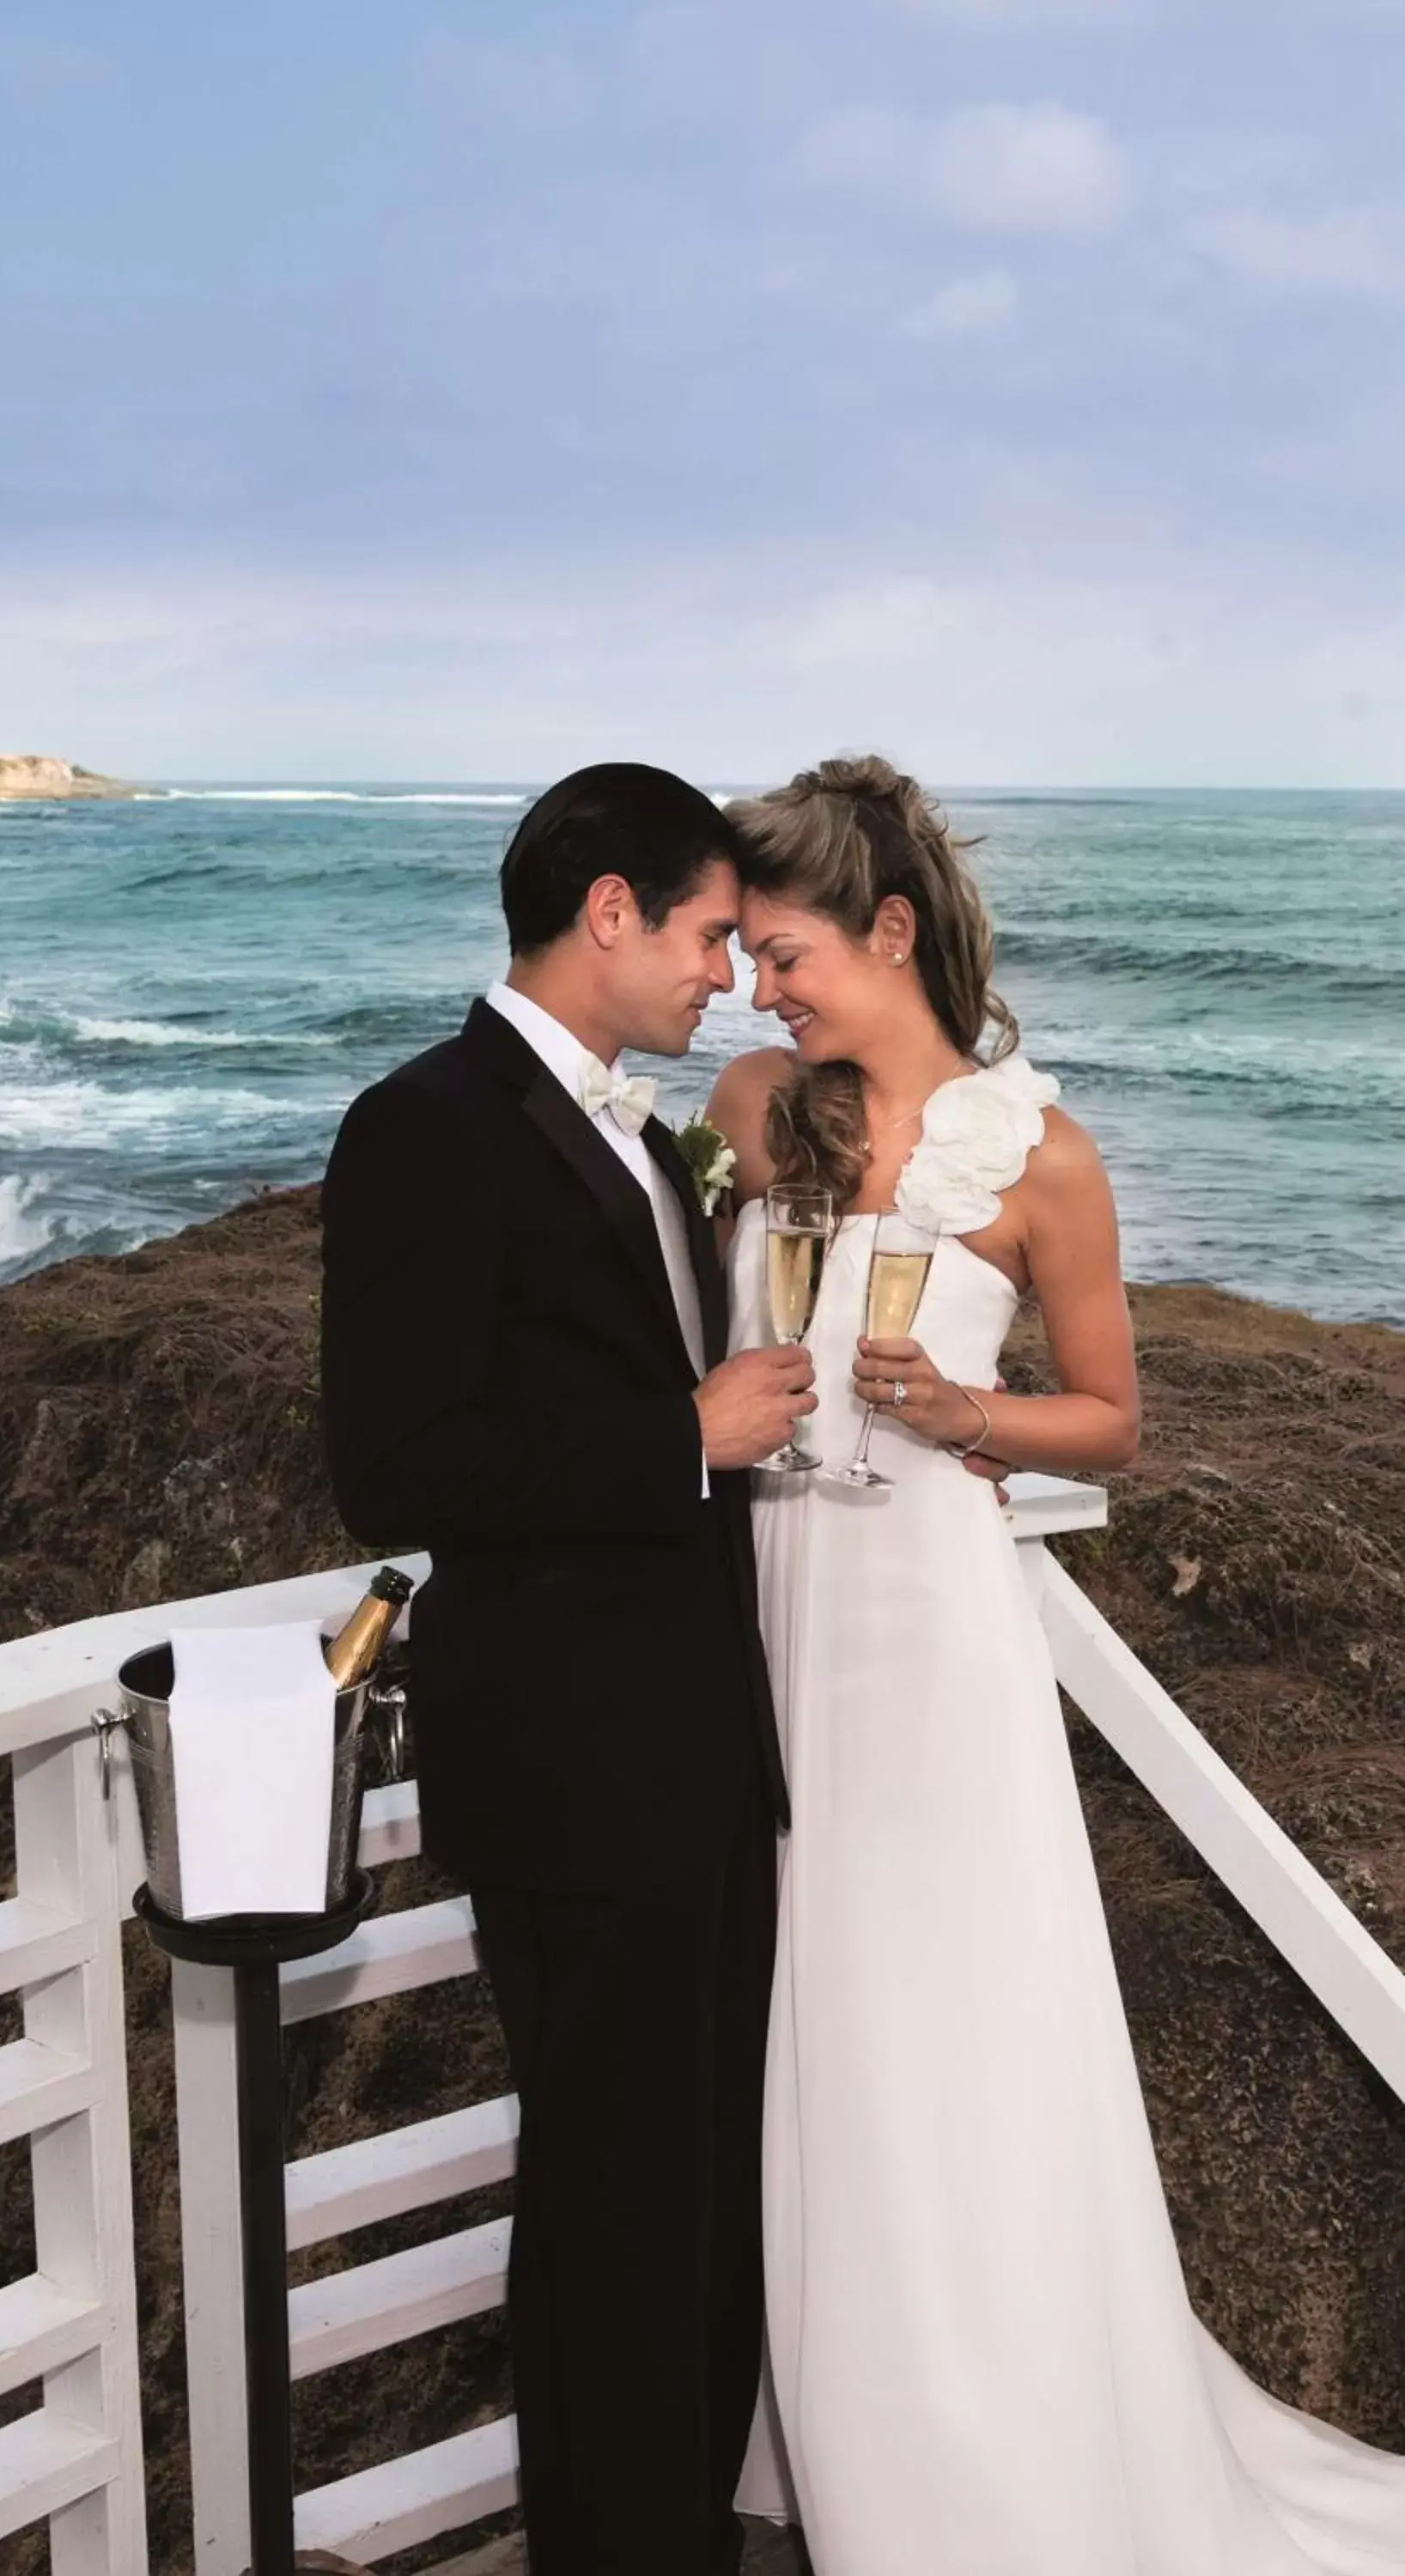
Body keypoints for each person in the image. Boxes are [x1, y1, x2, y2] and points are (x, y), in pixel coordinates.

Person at [710, 753, 1405, 2573]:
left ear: (889, 926)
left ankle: (984, 2463)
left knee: (942, 2026)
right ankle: (837, 2419)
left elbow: (1112, 1424)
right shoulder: (762, 1107)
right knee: (805, 2026)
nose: (756, 988)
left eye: (784, 952)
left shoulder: (1044, 1158)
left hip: (927, 1635)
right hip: (768, 1616)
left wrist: (966, 1410)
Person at [319, 763, 816, 2575]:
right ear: (606, 913)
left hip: (693, 1758)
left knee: (698, 2197)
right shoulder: (427, 1125)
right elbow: (395, 1463)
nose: (724, 975)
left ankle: (682, 2531)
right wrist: (680, 1436)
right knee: (613, 2211)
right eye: (702, 936)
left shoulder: (632, 1131)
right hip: (575, 1764)